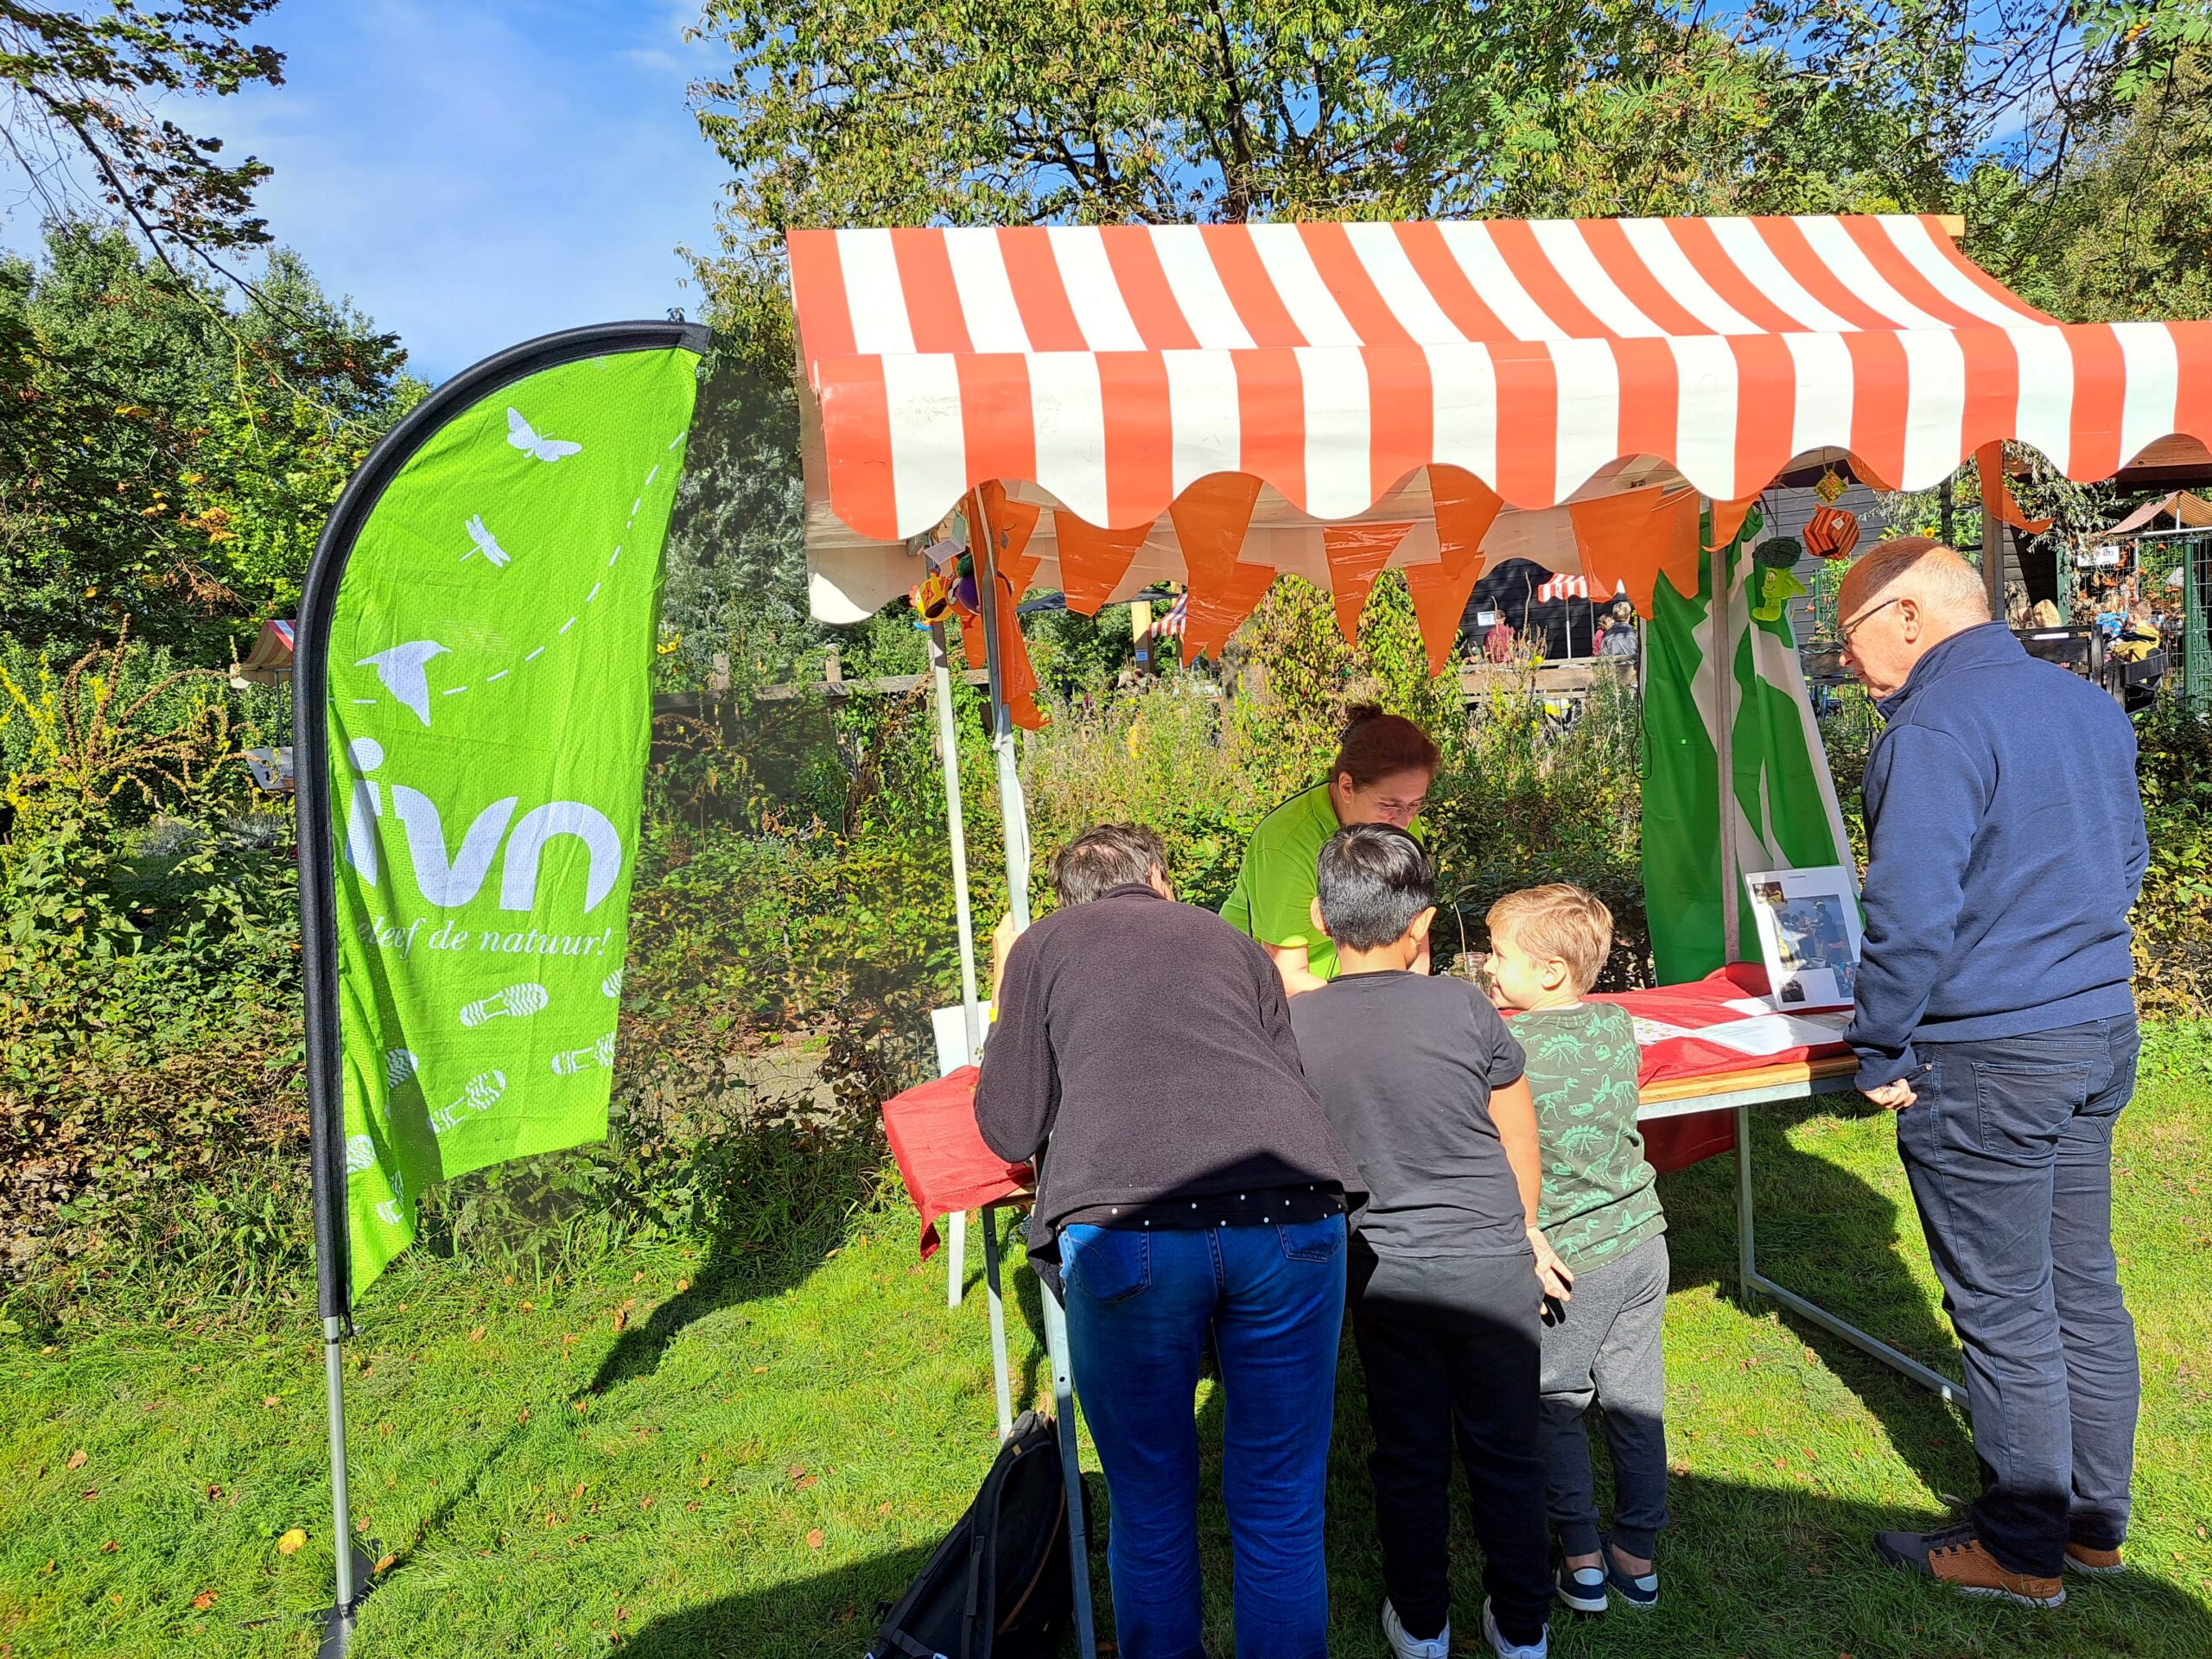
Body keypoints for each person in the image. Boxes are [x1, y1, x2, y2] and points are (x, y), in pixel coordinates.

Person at [1836, 537, 2148, 1608]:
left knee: (2009, 1310)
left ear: (1910, 615)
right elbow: (2126, 863)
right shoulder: (2086, 703)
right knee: (2082, 1292)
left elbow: (1909, 908)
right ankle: (2091, 1531)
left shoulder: (1931, 724)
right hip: (2095, 1028)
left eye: (1849, 636)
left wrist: (1877, 1044)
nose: (1848, 662)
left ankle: (2019, 1552)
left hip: (1991, 1054)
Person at [975, 823, 1363, 1659]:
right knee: (1282, 1508)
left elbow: (1007, 1127)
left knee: (1149, 1510)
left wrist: (1009, 980)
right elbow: (1283, 1078)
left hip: (1127, 1225)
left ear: (1069, 897)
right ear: (1160, 877)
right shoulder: (1228, 939)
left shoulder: (1042, 944)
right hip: (1293, 1208)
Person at [1288, 825, 1572, 1659]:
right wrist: (1522, 1228)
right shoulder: (1463, 1004)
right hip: (1491, 1261)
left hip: (1383, 1273)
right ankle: (1523, 1629)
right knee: (1506, 1449)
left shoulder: (1295, 1025)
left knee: (1407, 1453)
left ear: (1319, 917)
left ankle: (1421, 1626)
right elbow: (1520, 1140)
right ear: (1422, 924)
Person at [1483, 885, 1669, 1617]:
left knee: (1555, 1400)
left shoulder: (1508, 1049)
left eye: (1500, 955)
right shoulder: (1618, 1021)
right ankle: (1639, 1558)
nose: (1489, 969)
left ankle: (1583, 1559)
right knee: (1634, 1399)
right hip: (1643, 1241)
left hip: (1569, 1257)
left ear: (1552, 970)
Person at [1220, 705, 1441, 995]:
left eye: (1415, 804)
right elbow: (1287, 977)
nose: (1404, 821)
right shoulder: (1285, 845)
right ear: (1347, 787)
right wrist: (1375, 1004)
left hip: (1351, 987)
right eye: (1390, 805)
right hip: (1255, 989)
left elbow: (1414, 933)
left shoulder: (1400, 821)